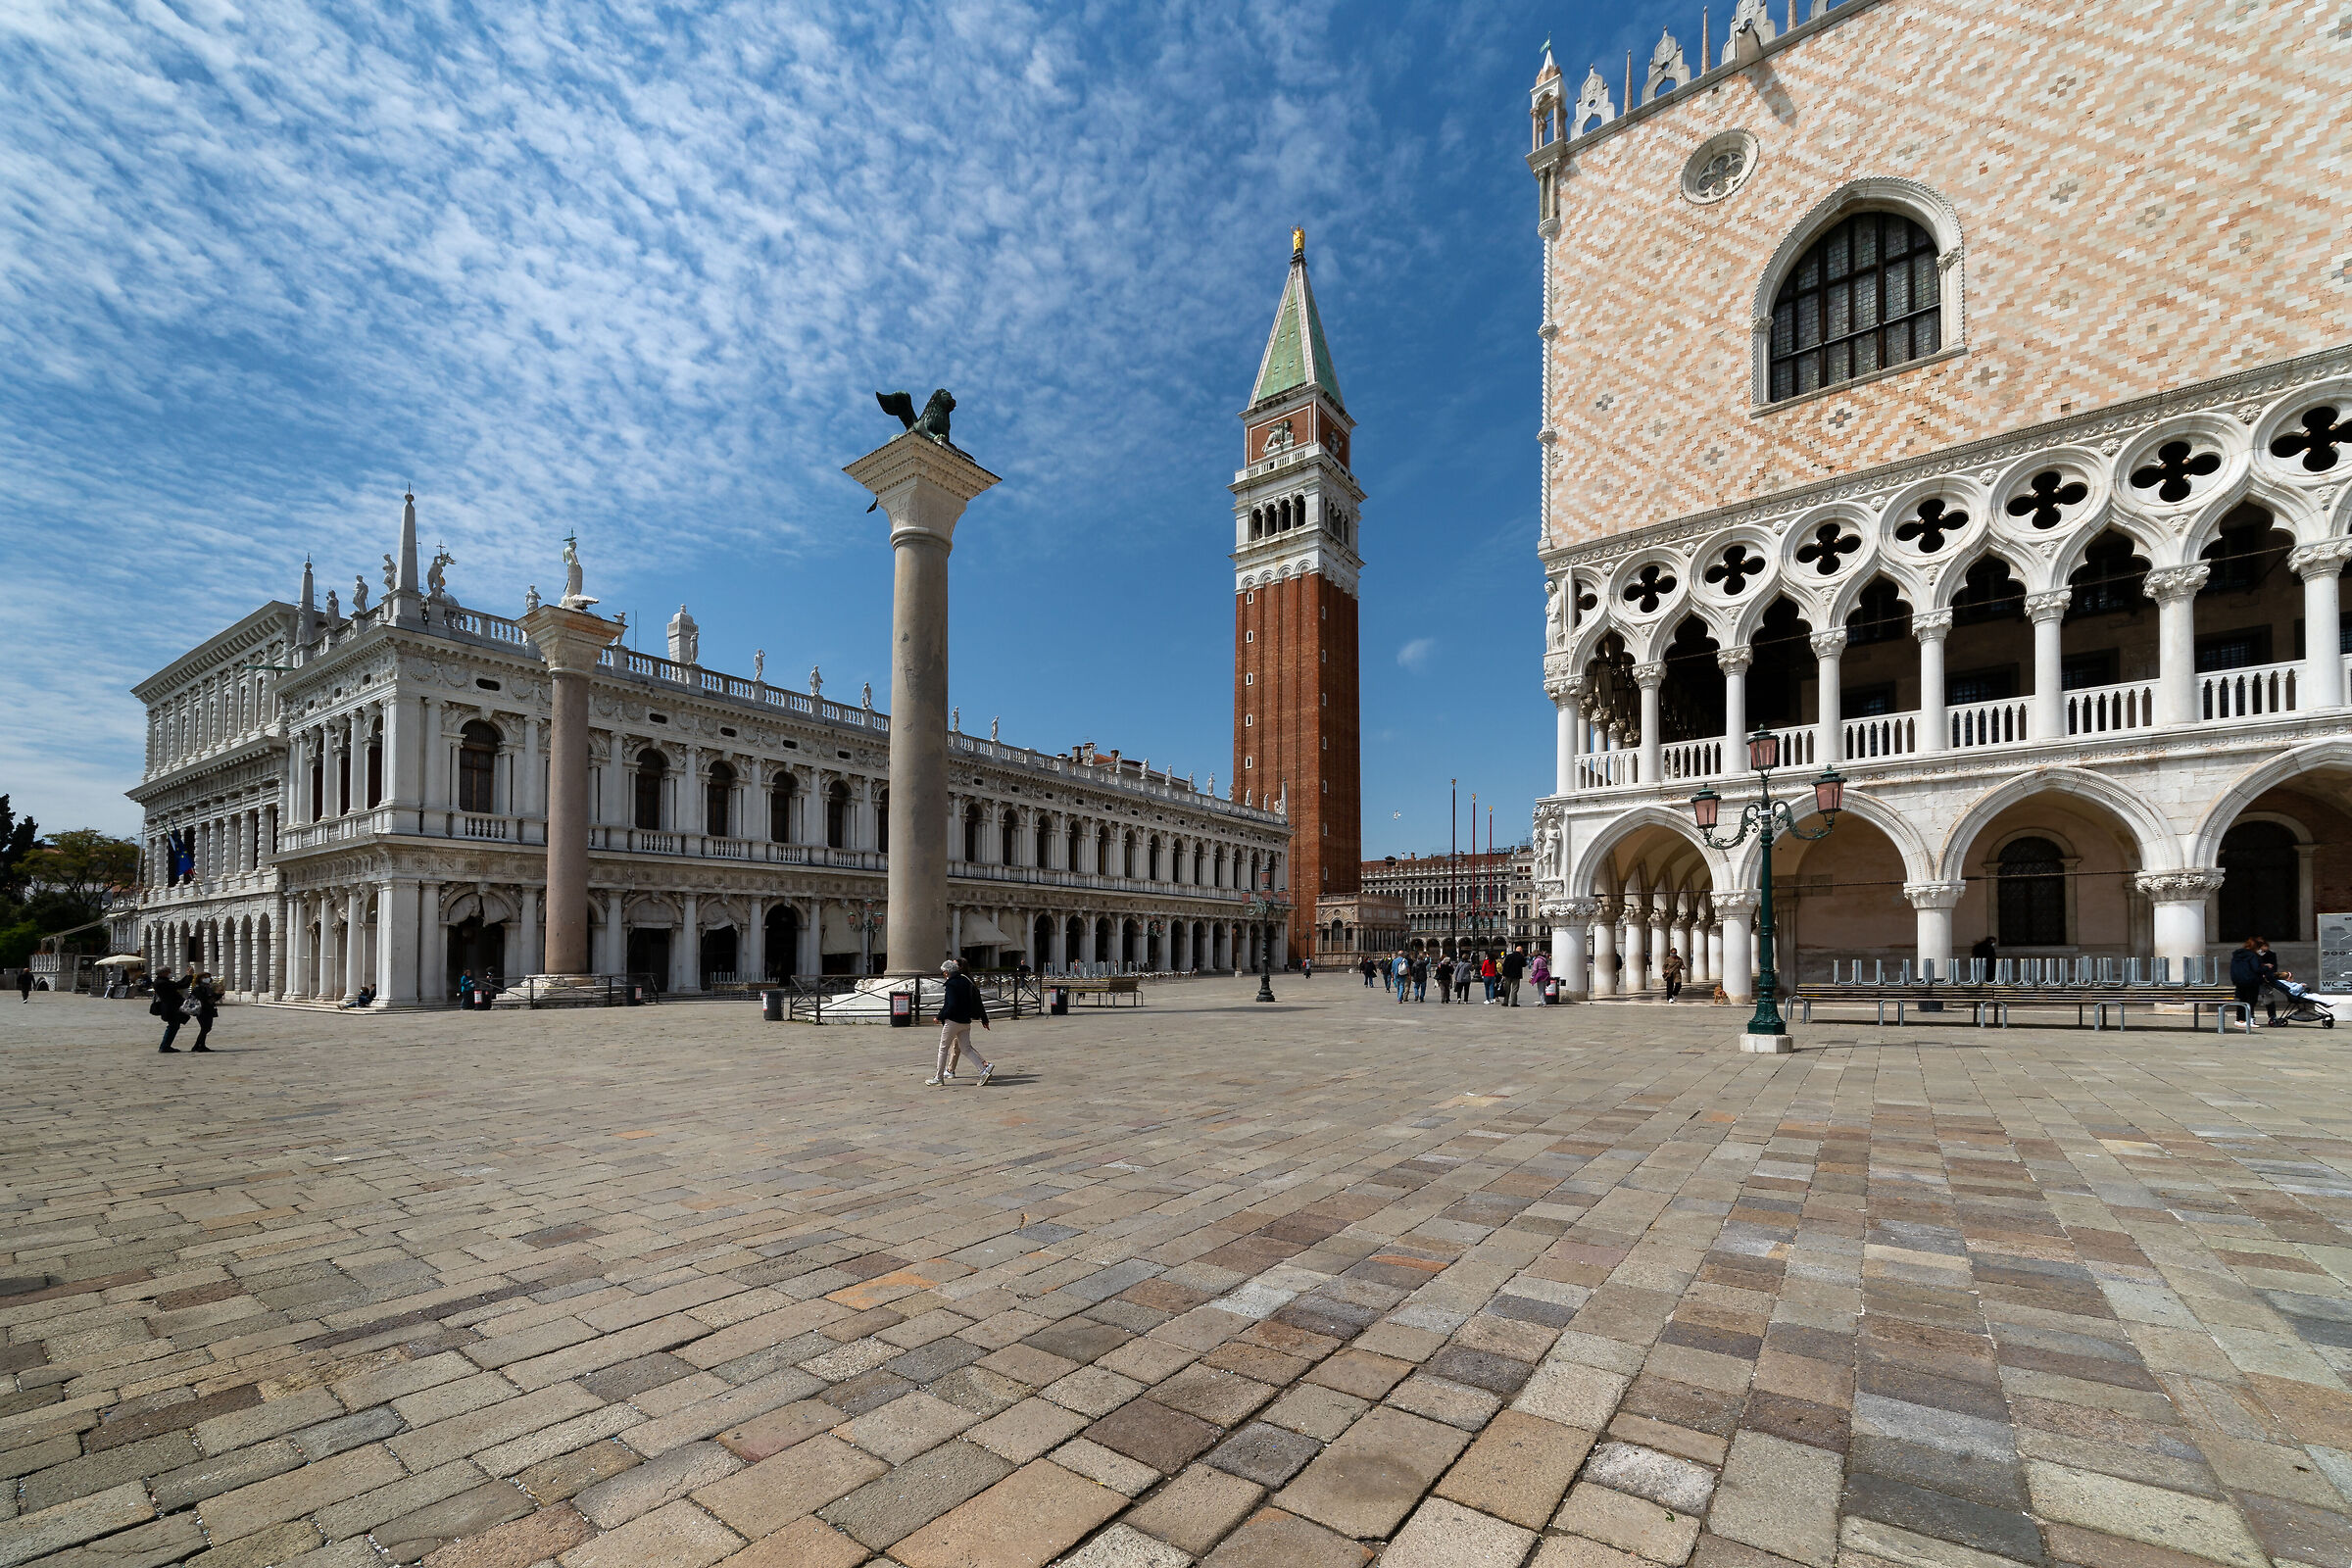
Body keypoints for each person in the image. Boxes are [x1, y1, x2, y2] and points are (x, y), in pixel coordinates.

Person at [928, 958, 996, 1086]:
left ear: (948, 972)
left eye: (944, 972)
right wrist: (983, 1018)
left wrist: (940, 1016)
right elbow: (977, 1000)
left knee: (943, 1048)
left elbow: (950, 1004)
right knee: (966, 1049)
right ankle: (983, 1072)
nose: (943, 975)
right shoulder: (966, 981)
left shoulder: (951, 984)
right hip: (966, 1021)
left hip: (953, 1021)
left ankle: (938, 1077)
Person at [2229, 936, 2265, 1031]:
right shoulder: (2252, 955)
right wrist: (2266, 968)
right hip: (2251, 981)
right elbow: (2256, 968)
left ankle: (2240, 1019)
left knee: (2241, 1000)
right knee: (2251, 1000)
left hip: (2239, 981)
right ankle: (2248, 1019)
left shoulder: (2237, 955)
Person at [152, 969, 186, 1054]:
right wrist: (189, 976)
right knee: (173, 1026)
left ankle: (165, 1046)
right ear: (162, 973)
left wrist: (187, 976)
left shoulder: (161, 981)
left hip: (169, 1007)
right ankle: (164, 1046)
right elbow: (181, 985)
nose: (169, 974)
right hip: (170, 1007)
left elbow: (178, 984)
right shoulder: (162, 982)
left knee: (174, 1026)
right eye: (167, 972)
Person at [186, 970, 218, 1052]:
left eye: (208, 977)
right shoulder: (198, 988)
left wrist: (219, 993)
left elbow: (214, 998)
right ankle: (200, 1046)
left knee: (207, 1028)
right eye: (205, 977)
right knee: (205, 1028)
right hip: (201, 1010)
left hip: (209, 1009)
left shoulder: (208, 987)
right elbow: (202, 999)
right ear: (200, 979)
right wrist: (210, 999)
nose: (207, 979)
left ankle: (198, 1045)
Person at [2257, 938, 2281, 1025]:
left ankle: (2272, 1016)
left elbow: (2273, 967)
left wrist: (2268, 974)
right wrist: (2264, 966)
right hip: (2256, 978)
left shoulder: (2271, 954)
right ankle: (2250, 1016)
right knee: (2252, 997)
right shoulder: (2254, 955)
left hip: (2267, 979)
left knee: (2268, 997)